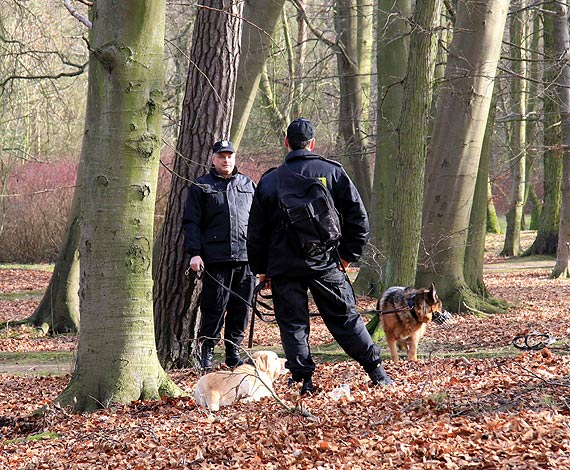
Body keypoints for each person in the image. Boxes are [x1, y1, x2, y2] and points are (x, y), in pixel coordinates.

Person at [247, 118, 394, 395]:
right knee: (346, 319)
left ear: (286, 143)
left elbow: (256, 233)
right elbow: (358, 219)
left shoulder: (269, 181)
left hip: (283, 267)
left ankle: (304, 381)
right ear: (312, 143)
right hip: (326, 263)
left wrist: (262, 269)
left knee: (293, 324)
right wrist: (347, 256)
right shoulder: (333, 173)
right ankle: (377, 372)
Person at [182, 139, 256, 373]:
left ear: (235, 158)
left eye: (229, 156)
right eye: (221, 156)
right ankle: (208, 353)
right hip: (215, 260)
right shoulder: (201, 187)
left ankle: (234, 352)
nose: (226, 160)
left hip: (246, 259)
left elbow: (259, 222)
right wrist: (194, 253)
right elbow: (191, 223)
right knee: (213, 308)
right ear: (213, 159)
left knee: (241, 309)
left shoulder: (248, 185)